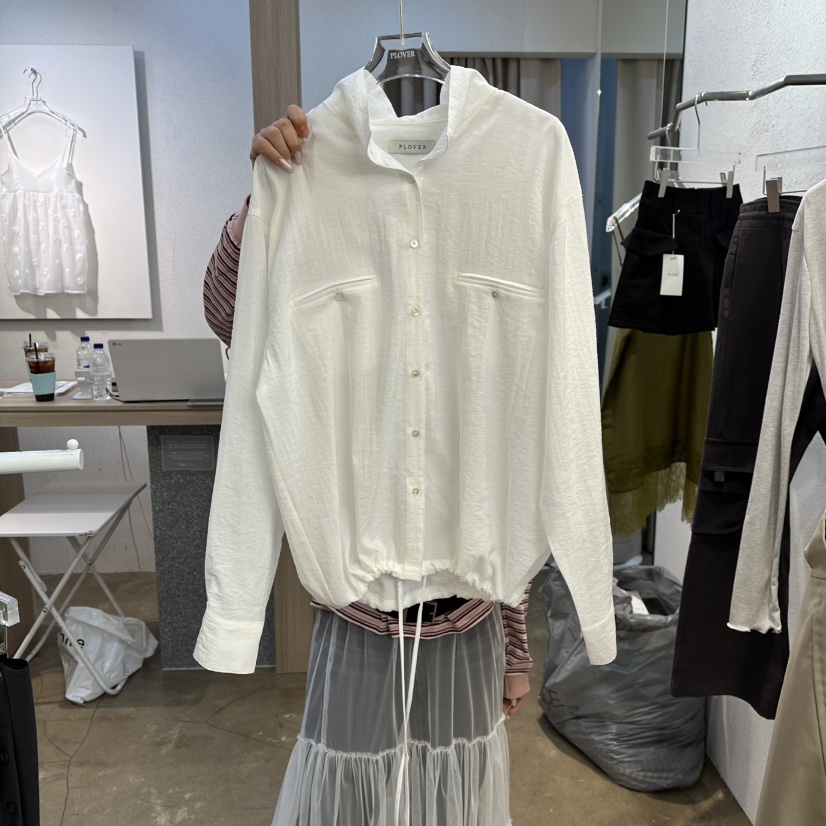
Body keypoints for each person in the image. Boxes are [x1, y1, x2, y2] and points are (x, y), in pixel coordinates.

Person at [203, 106, 533, 825]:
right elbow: (230, 314)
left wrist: (516, 649)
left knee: (455, 792)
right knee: (347, 789)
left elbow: (506, 477)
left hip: (469, 619)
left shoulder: (490, 243)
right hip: (358, 615)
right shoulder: (327, 207)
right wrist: (267, 201)